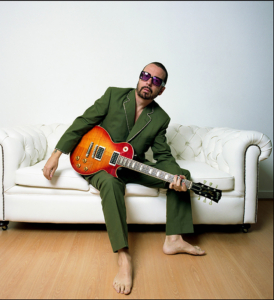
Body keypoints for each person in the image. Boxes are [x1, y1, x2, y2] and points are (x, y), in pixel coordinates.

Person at [43, 62, 205, 295]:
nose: (149, 82)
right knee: (110, 182)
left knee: (182, 176)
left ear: (161, 90)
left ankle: (174, 239)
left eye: (156, 80)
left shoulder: (160, 118)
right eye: (145, 75)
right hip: (95, 162)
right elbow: (84, 122)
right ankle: (123, 256)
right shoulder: (114, 95)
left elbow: (162, 155)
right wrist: (56, 154)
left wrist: (175, 176)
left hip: (130, 165)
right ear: (139, 78)